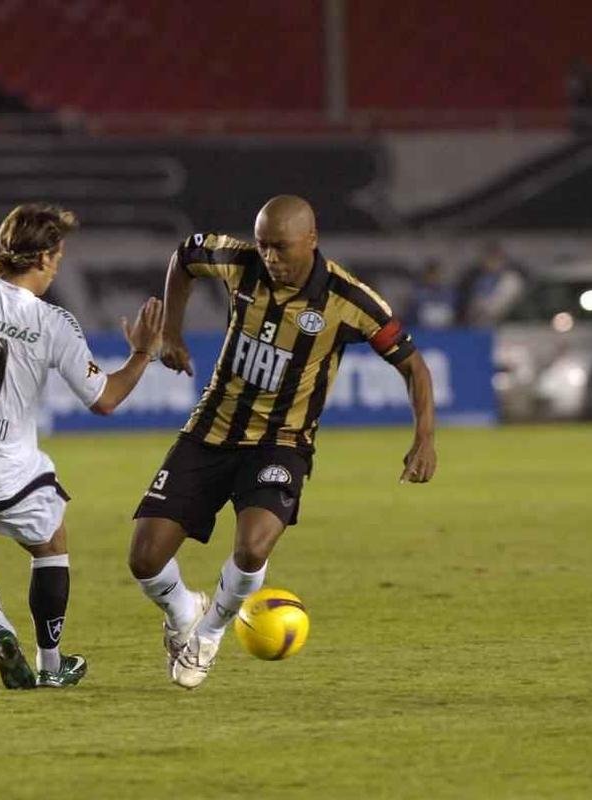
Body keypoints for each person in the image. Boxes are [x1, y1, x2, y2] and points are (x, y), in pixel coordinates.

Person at [128, 195, 437, 689]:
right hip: (210, 429)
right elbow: (186, 255)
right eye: (264, 245)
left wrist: (424, 437)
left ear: (311, 241)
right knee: (144, 560)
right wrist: (172, 331)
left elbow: (413, 365)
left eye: (282, 248)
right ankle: (183, 609)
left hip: (282, 442)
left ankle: (208, 635)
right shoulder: (239, 263)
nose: (270, 257)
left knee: (252, 547)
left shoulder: (348, 299)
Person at [0, 203, 163, 690]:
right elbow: (105, 399)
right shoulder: (55, 324)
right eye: (59, 258)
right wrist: (141, 354)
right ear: (46, 258)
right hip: (5, 476)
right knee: (51, 544)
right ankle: (50, 664)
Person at [453, 241, 529, 327]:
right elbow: (464, 303)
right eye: (488, 258)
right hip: (475, 323)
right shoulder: (472, 278)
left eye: (496, 258)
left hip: (506, 325)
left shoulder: (512, 279)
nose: (491, 263)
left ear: (502, 259)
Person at [406, 257, 457, 329]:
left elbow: (455, 316)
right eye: (431, 276)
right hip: (423, 332)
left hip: (446, 332)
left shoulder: (449, 294)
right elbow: (411, 318)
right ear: (425, 276)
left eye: (436, 275)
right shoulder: (418, 295)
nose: (433, 278)